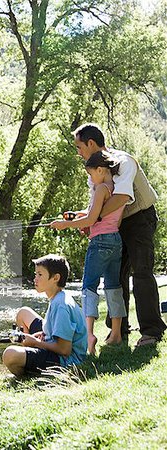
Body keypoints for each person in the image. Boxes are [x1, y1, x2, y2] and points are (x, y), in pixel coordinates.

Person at [70, 123, 166, 346]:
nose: (78, 152)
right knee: (115, 278)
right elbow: (98, 203)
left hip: (140, 219)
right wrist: (83, 217)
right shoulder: (94, 169)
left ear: (91, 143)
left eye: (79, 147)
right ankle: (118, 332)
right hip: (115, 224)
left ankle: (151, 331)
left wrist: (94, 219)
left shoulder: (124, 161)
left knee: (141, 273)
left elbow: (121, 198)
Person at [51, 151, 127, 354]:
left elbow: (92, 219)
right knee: (113, 286)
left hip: (99, 241)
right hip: (116, 241)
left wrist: (64, 225)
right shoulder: (116, 189)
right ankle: (117, 333)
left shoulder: (100, 188)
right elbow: (105, 216)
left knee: (89, 286)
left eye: (91, 174)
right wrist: (76, 216)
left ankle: (89, 334)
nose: (90, 179)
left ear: (101, 170)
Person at [3, 254, 87, 376]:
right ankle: (29, 356)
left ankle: (26, 369)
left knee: (10, 354)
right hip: (53, 346)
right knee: (23, 313)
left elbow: (65, 350)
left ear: (55, 278)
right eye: (35, 274)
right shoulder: (57, 297)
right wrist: (43, 334)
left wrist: (35, 342)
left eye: (40, 274)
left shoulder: (62, 305)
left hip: (66, 361)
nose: (35, 278)